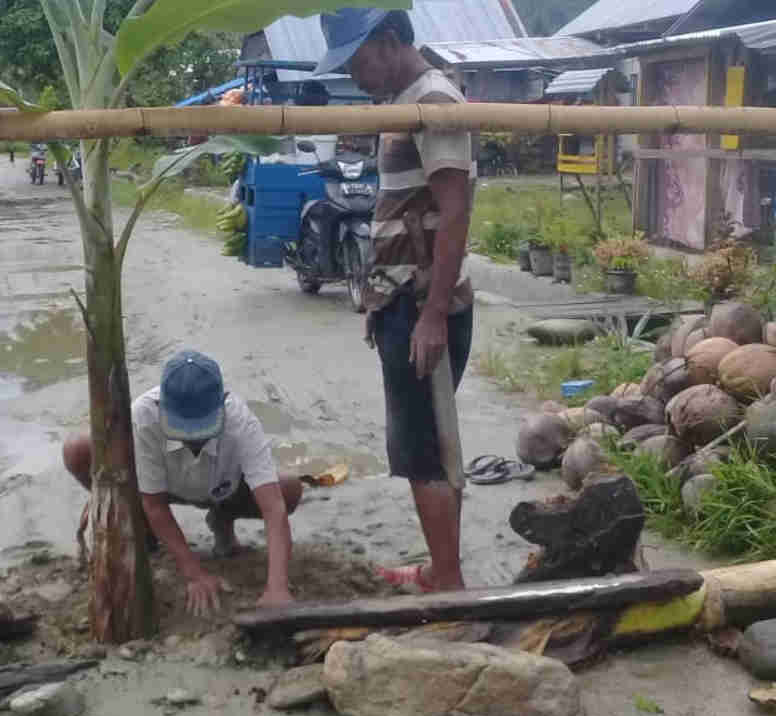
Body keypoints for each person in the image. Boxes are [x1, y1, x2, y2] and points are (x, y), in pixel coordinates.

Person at [314, 9, 476, 593]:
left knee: (422, 445)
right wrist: (380, 301)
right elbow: (404, 210)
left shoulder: (433, 99)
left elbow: (455, 212)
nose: (354, 77)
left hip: (423, 303)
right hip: (402, 301)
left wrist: (432, 314)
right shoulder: (403, 102)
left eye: (357, 63)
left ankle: (447, 580)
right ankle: (441, 568)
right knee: (423, 438)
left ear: (387, 41)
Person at [63, 350, 304, 615]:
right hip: (162, 488)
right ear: (162, 408)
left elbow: (273, 507)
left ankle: (222, 521)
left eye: (201, 430)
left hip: (224, 489)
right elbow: (154, 504)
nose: (192, 439)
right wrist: (194, 573)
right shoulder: (142, 416)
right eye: (184, 429)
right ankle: (144, 531)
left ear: (222, 406)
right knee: (78, 449)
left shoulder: (241, 422)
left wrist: (277, 587)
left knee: (289, 488)